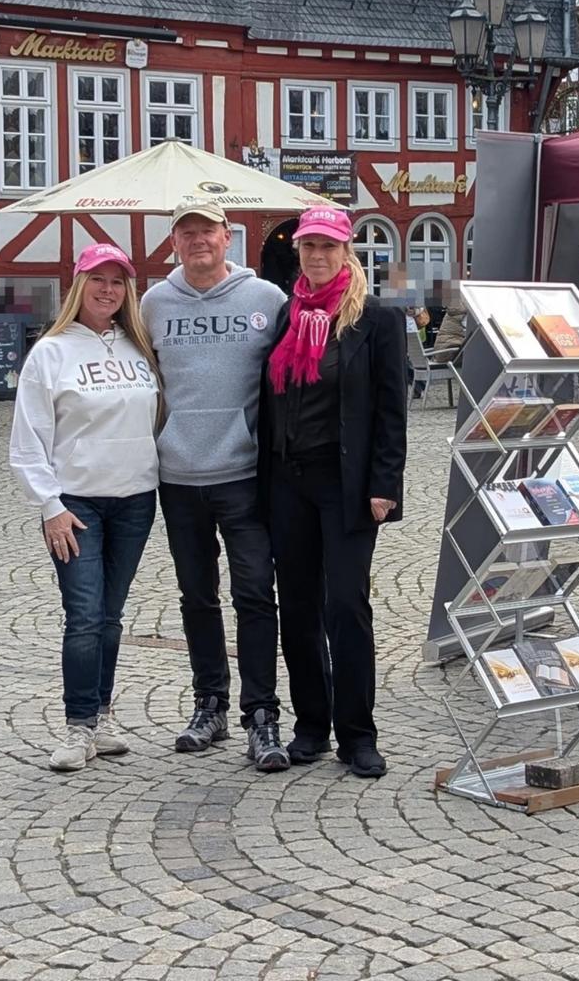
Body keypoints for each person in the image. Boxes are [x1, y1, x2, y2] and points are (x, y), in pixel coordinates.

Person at [139, 198, 291, 770]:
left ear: (228, 238)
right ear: (173, 243)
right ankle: (210, 705)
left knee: (254, 594)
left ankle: (262, 715)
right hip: (178, 476)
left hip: (245, 475)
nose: (198, 240)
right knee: (197, 597)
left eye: (208, 230)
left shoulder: (265, 299)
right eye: (187, 232)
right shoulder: (154, 303)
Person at [260, 207, 409, 778]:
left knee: (346, 606)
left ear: (347, 252)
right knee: (297, 607)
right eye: (308, 247)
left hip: (345, 485)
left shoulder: (375, 320)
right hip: (288, 481)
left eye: (327, 246)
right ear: (298, 252)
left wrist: (384, 485)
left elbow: (391, 410)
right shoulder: (287, 314)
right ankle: (310, 726)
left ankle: (357, 734)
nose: (317, 256)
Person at [9, 244, 163, 773]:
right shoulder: (50, 353)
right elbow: (27, 441)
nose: (107, 290)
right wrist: (49, 505)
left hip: (136, 499)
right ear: (78, 285)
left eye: (117, 282)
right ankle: (77, 725)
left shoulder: (139, 348)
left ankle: (101, 716)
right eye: (97, 279)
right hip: (75, 505)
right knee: (83, 617)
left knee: (111, 617)